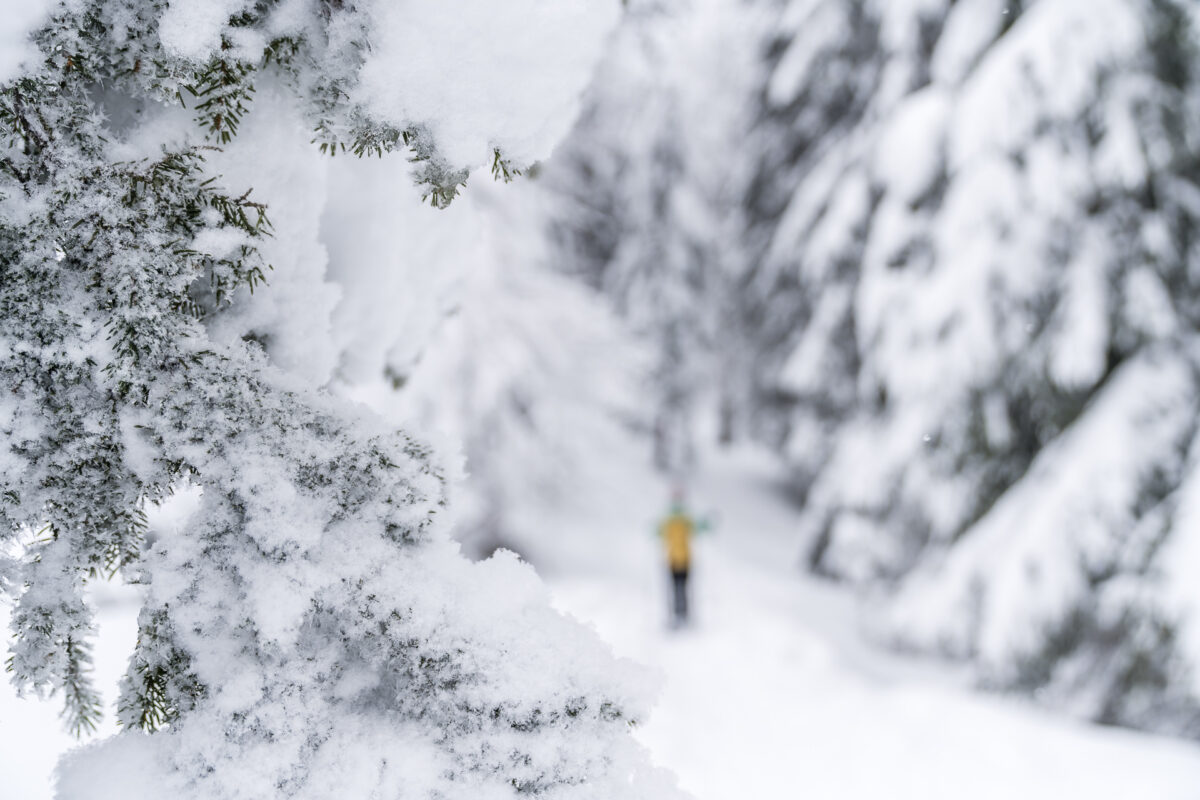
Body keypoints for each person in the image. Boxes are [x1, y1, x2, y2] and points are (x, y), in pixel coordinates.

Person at [657, 489, 701, 626]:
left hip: (683, 561)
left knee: (680, 589)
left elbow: (698, 528)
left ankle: (682, 614)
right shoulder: (672, 521)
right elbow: (659, 532)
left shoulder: (682, 521)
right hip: (675, 561)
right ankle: (679, 614)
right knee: (678, 589)